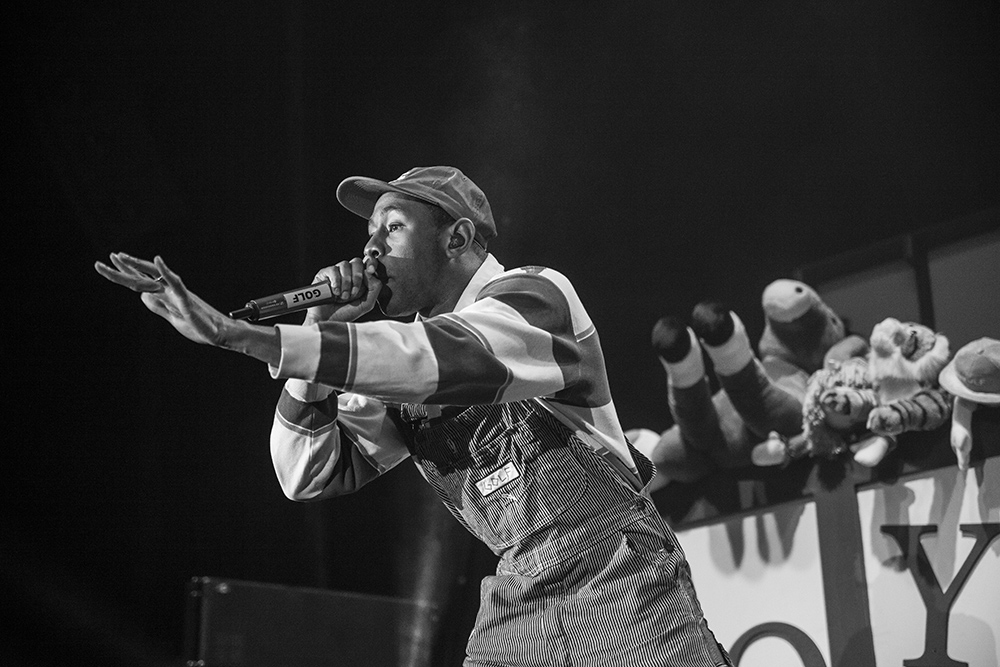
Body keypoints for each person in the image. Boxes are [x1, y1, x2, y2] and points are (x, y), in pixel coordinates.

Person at [95, 165, 732, 667]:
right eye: (367, 233)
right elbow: (305, 473)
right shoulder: (395, 363)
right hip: (522, 601)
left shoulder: (536, 296)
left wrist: (246, 337)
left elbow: (443, 358)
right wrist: (315, 340)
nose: (369, 250)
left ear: (456, 237)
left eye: (392, 227)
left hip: (619, 576)